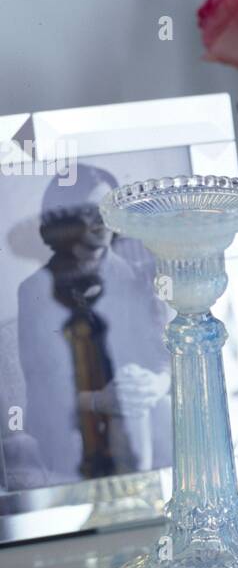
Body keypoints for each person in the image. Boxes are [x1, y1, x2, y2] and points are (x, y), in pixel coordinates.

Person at [17, 164, 172, 483]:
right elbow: (42, 395)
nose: (102, 221)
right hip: (72, 429)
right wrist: (101, 400)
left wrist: (155, 385)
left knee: (166, 413)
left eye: (109, 209)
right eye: (89, 211)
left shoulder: (138, 276)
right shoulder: (34, 290)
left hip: (142, 418)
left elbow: (165, 359)